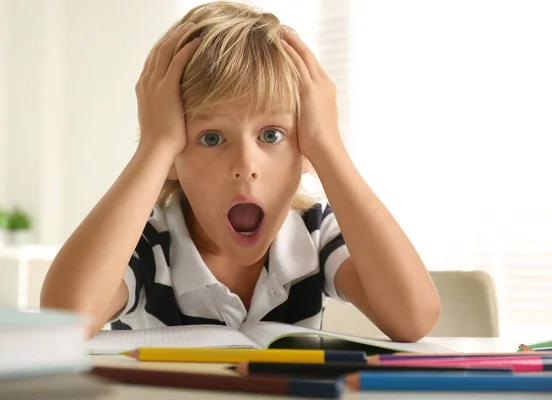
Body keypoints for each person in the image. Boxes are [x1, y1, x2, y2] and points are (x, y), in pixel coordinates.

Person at [40, 1, 440, 341]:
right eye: (212, 138)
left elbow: (414, 317)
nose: (245, 167)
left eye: (271, 134)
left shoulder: (316, 235)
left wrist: (328, 147)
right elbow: (64, 320)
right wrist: (155, 145)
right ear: (174, 156)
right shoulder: (147, 246)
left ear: (304, 150)